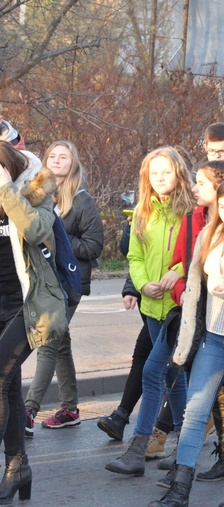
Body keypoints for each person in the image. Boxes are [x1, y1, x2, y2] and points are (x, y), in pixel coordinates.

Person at [148, 173, 224, 507]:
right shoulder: (209, 236)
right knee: (194, 411)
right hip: (212, 340)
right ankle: (179, 490)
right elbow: (196, 290)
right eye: (223, 206)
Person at [105, 146, 195, 477]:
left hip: (178, 308)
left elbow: (201, 250)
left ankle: (137, 450)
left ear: (179, 174)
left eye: (166, 171)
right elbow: (134, 257)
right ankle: (187, 447)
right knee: (174, 375)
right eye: (154, 172)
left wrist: (179, 272)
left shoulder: (192, 210)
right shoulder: (142, 211)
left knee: (152, 372)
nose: (159, 177)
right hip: (151, 306)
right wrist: (142, 285)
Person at [0, 143, 67, 504]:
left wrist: (6, 190)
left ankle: (16, 465)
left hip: (26, 305)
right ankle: (18, 466)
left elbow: (36, 230)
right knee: (8, 385)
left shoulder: (39, 187)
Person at [23, 141, 103, 434]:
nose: (56, 161)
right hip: (43, 281)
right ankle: (70, 409)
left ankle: (28, 411)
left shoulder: (82, 201)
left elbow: (95, 245)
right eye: (52, 156)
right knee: (60, 344)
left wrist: (60, 243)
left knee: (48, 342)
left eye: (63, 157)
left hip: (68, 283)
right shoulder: (37, 192)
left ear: (73, 164)